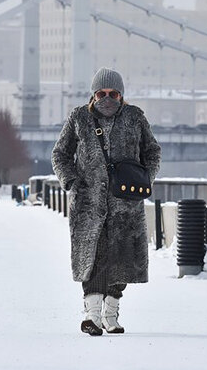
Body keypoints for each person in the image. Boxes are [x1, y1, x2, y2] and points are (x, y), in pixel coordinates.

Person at [52, 67, 161, 336]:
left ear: (122, 95)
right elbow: (60, 154)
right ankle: (92, 317)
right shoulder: (79, 118)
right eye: (101, 93)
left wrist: (146, 179)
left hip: (126, 204)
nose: (107, 98)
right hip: (88, 205)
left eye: (113, 93)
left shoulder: (135, 117)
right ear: (93, 94)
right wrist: (72, 182)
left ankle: (110, 314)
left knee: (122, 261)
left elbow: (152, 152)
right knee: (93, 259)